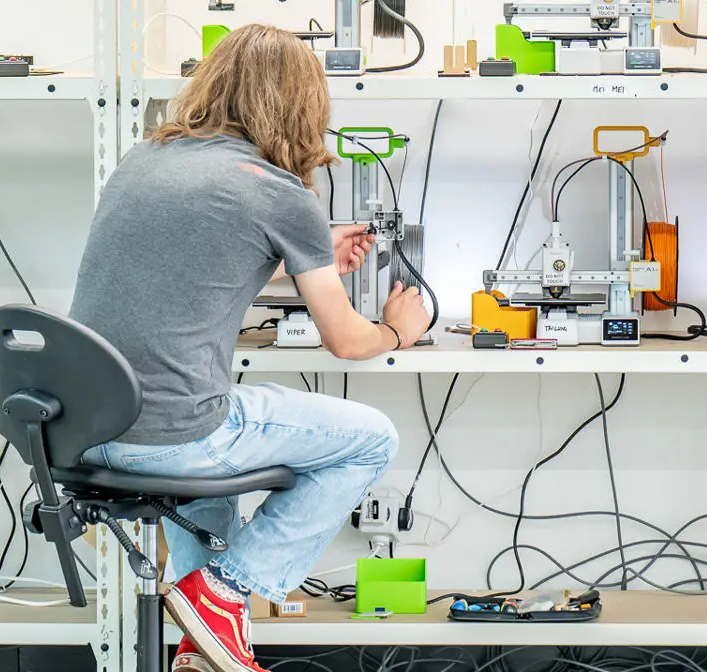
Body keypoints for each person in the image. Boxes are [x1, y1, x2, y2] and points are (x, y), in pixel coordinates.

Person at [68, 23, 432, 672]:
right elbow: (348, 341)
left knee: (205, 479)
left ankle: (205, 649)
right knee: (372, 437)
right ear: (302, 103)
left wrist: (303, 255)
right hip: (172, 437)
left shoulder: (144, 158)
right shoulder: (278, 192)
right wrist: (403, 328)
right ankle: (222, 592)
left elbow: (197, 269)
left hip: (84, 431)